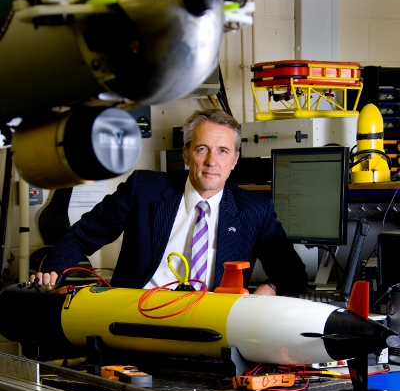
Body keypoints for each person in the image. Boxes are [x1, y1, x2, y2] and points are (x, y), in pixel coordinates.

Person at [31, 108, 308, 295]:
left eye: (223, 151)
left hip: (211, 328)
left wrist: (269, 289)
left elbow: (293, 274)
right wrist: (52, 273)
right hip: (135, 322)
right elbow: (81, 236)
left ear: (235, 160)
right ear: (186, 155)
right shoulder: (144, 190)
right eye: (202, 149)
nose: (212, 161)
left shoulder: (254, 210)